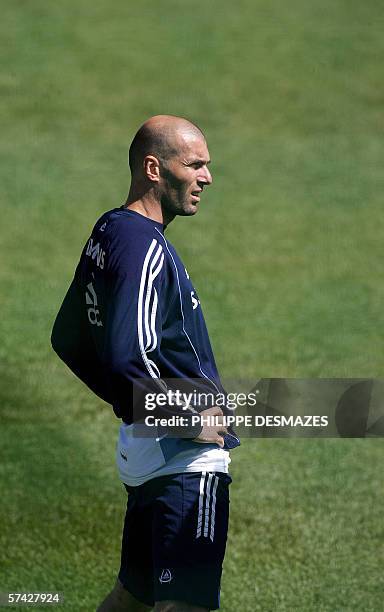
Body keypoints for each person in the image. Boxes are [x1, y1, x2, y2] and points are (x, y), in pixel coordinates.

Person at [51, 115, 240, 612]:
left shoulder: (111, 229)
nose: (207, 177)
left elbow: (68, 338)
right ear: (154, 168)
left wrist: (130, 406)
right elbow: (128, 355)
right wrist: (187, 421)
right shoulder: (146, 248)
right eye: (194, 164)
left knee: (132, 598)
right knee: (184, 604)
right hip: (183, 462)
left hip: (146, 453)